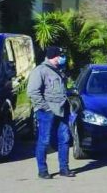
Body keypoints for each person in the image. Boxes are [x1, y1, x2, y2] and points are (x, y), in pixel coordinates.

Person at [27, 46, 74, 179]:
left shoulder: (59, 71)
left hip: (62, 109)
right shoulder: (40, 71)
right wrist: (45, 107)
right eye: (60, 56)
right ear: (54, 56)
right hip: (46, 111)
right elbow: (32, 92)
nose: (62, 58)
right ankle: (42, 170)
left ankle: (64, 168)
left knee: (64, 139)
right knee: (44, 140)